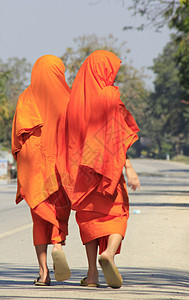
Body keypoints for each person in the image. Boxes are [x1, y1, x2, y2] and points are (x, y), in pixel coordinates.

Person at [63, 50, 140, 288]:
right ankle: (109, 253)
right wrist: (128, 167)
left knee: (89, 218)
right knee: (117, 213)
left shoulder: (74, 102)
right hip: (110, 170)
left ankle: (92, 276)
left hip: (83, 172)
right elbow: (118, 137)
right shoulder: (110, 96)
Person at [11, 55, 71, 286]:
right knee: (59, 212)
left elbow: (17, 138)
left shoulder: (26, 97)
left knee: (39, 218)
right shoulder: (67, 97)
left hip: (34, 168)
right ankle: (58, 244)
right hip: (60, 168)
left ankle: (43, 272)